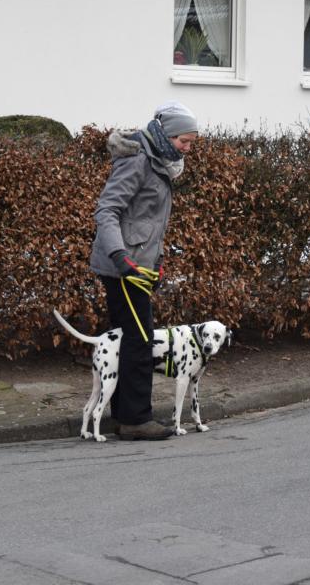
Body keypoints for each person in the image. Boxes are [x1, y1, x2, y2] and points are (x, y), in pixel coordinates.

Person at [88, 101, 199, 441]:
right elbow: (107, 210)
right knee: (139, 340)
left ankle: (124, 418)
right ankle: (136, 420)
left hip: (140, 265)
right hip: (125, 268)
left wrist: (158, 259)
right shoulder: (139, 159)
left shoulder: (159, 161)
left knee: (129, 339)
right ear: (167, 134)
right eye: (184, 140)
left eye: (192, 142)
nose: (187, 148)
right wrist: (121, 258)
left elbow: (151, 222)